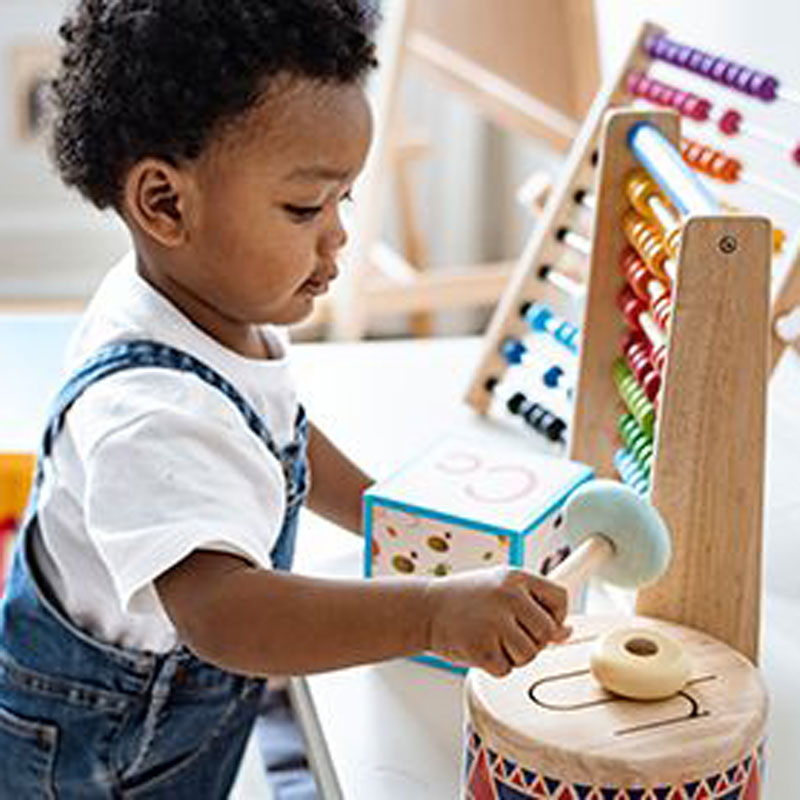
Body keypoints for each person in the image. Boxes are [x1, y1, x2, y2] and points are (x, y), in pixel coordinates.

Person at [0, 1, 571, 796]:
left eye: (343, 198)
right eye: (306, 207)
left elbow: (285, 436)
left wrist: (390, 513)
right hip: (94, 748)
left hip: (175, 709)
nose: (339, 234)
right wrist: (431, 611)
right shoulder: (150, 415)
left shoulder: (214, 308)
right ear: (165, 204)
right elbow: (227, 616)